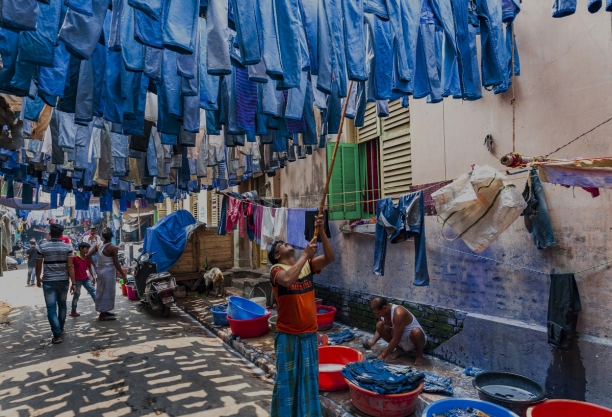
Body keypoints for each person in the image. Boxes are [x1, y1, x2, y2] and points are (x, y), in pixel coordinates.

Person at [267, 215, 335, 417]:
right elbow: (287, 280)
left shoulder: (307, 265)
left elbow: (330, 258)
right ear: (277, 256)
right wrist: (305, 255)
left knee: (308, 382)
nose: (286, 242)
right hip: (287, 335)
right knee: (287, 383)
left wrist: (321, 230)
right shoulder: (276, 270)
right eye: (281, 244)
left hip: (308, 335)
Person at [36, 224, 76, 344]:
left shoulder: (42, 247)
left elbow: (38, 266)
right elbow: (70, 266)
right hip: (63, 281)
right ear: (61, 234)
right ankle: (61, 328)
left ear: (50, 233)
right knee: (62, 305)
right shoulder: (67, 247)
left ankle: (57, 334)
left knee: (51, 308)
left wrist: (38, 278)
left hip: (48, 281)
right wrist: (73, 283)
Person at [363, 296, 427, 366]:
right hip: (400, 341)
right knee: (379, 325)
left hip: (412, 340)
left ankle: (419, 355)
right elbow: (379, 330)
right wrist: (372, 342)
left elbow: (396, 339)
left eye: (378, 313)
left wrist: (383, 355)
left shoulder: (399, 313)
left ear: (384, 308)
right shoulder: (383, 313)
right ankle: (399, 350)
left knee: (417, 332)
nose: (378, 315)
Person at [87, 228, 126, 321]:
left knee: (101, 291)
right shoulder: (113, 247)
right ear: (112, 236)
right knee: (107, 292)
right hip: (108, 272)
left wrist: (95, 266)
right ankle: (103, 314)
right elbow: (116, 263)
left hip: (100, 271)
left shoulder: (99, 245)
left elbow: (88, 255)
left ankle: (105, 311)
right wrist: (123, 275)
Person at [69, 242, 97, 317]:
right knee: (77, 295)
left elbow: (89, 268)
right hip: (77, 280)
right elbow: (70, 268)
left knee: (93, 291)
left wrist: (93, 277)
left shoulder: (87, 258)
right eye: (86, 248)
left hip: (85, 278)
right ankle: (73, 311)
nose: (88, 250)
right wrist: (73, 282)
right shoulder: (75, 258)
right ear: (81, 248)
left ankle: (100, 307)